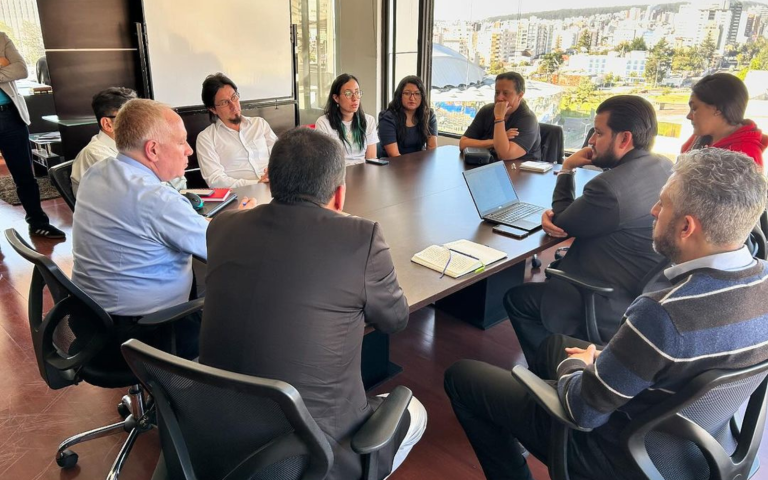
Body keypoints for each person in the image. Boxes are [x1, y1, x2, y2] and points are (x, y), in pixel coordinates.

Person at [445, 147, 768, 480]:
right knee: (554, 344)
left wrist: (578, 367)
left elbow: (582, 413)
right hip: (694, 444)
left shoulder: (663, 315)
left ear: (687, 227)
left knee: (462, 376)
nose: (653, 211)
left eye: (663, 204)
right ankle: (541, 399)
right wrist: (602, 360)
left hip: (618, 455)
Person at [199, 127, 426, 480]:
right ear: (339, 195)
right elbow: (395, 320)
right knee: (417, 412)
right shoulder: (360, 237)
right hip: (317, 451)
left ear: (271, 181)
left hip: (218, 430)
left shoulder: (222, 226)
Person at [71, 98, 256, 357]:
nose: (188, 151)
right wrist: (243, 219)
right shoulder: (154, 198)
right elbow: (225, 248)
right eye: (181, 142)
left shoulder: (99, 171)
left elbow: (179, 226)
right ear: (153, 150)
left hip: (91, 318)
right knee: (244, 321)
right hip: (144, 330)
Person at [505, 95, 672, 365]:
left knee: (517, 299)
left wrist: (568, 168)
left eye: (598, 132)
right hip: (641, 288)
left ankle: (550, 369)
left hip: (607, 297)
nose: (591, 140)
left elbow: (561, 221)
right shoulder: (664, 165)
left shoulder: (609, 187)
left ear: (624, 139)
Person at [0, 32, 65, 238]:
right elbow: (11, 69)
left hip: (10, 116)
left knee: (24, 176)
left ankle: (38, 222)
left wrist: (9, 66)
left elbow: (20, 69)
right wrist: (2, 65)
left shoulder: (1, 38)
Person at [72, 87, 185, 196]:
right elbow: (140, 190)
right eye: (128, 119)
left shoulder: (139, 144)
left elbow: (177, 180)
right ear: (107, 124)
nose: (140, 124)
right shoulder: (94, 153)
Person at [196, 73, 278, 187]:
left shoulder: (259, 124)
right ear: (213, 109)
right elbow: (215, 180)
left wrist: (275, 173)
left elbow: (280, 155)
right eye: (224, 102)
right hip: (240, 197)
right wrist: (256, 183)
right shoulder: (206, 138)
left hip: (275, 189)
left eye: (234, 97)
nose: (233, 106)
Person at [682, 72, 767, 172]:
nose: (689, 116)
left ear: (717, 109)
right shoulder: (702, 138)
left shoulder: (744, 158)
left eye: (694, 108)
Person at [459, 72, 541, 161]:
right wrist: (495, 141)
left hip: (518, 171)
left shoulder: (528, 120)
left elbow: (504, 154)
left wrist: (499, 118)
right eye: (497, 92)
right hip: (488, 166)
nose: (499, 98)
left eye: (505, 93)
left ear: (520, 96)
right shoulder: (487, 110)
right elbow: (463, 144)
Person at [315, 73, 378, 165]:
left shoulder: (369, 120)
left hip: (364, 173)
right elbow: (324, 161)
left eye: (357, 92)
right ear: (336, 98)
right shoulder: (323, 123)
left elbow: (372, 158)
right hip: (337, 175)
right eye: (348, 93)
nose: (355, 98)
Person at [378, 75, 437, 156]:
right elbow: (394, 155)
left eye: (417, 93)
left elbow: (432, 149)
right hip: (393, 165)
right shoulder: (388, 118)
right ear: (399, 95)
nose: (412, 98)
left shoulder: (429, 115)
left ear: (422, 96)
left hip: (420, 165)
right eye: (407, 93)